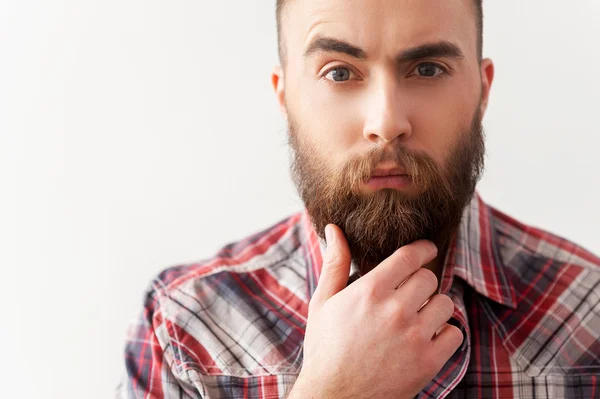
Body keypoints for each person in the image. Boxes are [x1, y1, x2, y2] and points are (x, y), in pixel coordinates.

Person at [117, 0, 600, 397]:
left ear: (482, 89)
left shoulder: (590, 316)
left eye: (428, 68)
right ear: (285, 98)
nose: (386, 122)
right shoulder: (184, 329)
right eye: (339, 73)